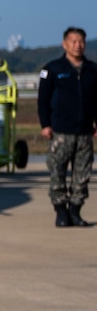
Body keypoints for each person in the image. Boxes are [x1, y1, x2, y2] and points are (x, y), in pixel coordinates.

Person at [39, 26, 96, 228]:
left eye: (81, 41)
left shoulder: (92, 70)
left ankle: (75, 211)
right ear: (64, 44)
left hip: (84, 132)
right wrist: (45, 124)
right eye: (73, 41)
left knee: (82, 176)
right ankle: (61, 212)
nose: (77, 45)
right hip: (60, 132)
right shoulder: (53, 69)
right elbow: (43, 100)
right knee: (57, 173)